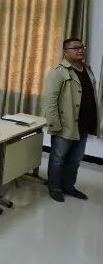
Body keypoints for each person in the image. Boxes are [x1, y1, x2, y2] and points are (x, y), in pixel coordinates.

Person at [44, 38, 98, 202]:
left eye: (82, 46)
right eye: (75, 48)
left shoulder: (87, 69)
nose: (80, 50)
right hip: (65, 124)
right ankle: (55, 188)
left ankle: (69, 186)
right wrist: (54, 124)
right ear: (65, 52)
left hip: (84, 123)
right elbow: (50, 101)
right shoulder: (59, 72)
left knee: (75, 159)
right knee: (58, 158)